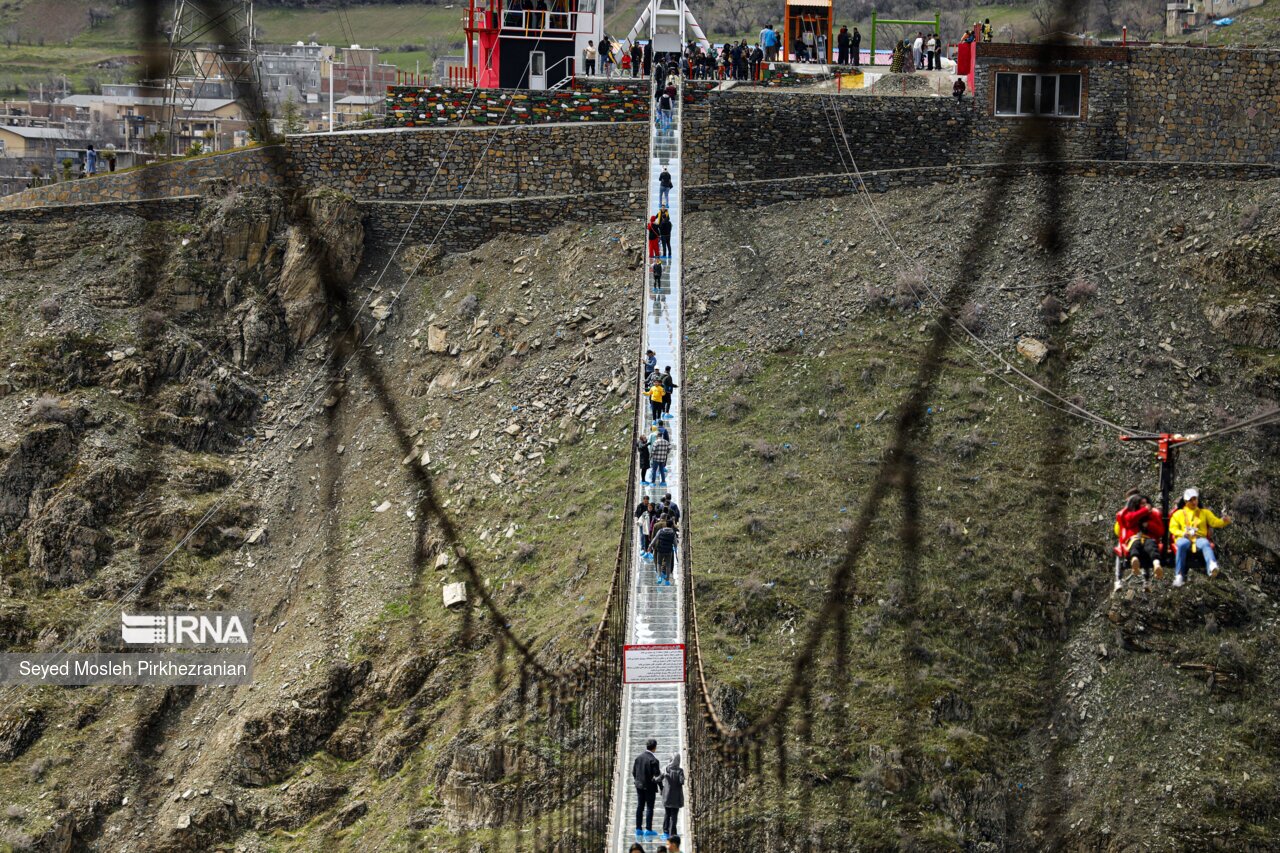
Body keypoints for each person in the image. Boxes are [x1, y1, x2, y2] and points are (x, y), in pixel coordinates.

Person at [1169, 488, 1229, 587]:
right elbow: (1173, 528)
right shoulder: (1178, 514)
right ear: (1185, 502)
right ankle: (1179, 574)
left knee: (1205, 544)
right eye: (1191, 500)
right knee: (1181, 545)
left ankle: (1212, 566)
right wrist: (1183, 533)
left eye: (1195, 499)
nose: (1194, 502)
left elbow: (1215, 522)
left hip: (1199, 538)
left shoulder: (1205, 513)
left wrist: (1223, 521)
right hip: (1184, 538)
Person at [1117, 494, 1165, 590]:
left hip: (1148, 539)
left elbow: (1161, 531)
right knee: (1135, 545)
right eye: (1142, 504)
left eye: (1146, 503)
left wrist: (1149, 525)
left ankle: (1156, 564)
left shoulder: (1153, 515)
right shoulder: (1131, 514)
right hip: (1134, 538)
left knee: (1151, 546)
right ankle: (1134, 560)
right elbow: (1129, 520)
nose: (1145, 505)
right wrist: (1144, 511)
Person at [633, 739, 662, 836]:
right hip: (650, 787)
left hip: (639, 786)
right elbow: (657, 776)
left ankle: (638, 829)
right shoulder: (654, 760)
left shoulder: (638, 758)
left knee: (640, 806)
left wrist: (638, 781)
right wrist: (661, 788)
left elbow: (634, 772)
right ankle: (648, 829)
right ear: (655, 747)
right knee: (649, 807)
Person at [659, 753, 684, 839]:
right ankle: (672, 833)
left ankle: (665, 832)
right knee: (674, 815)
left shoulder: (666, 769)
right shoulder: (680, 771)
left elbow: (659, 778)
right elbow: (681, 782)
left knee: (667, 814)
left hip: (667, 797)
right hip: (676, 798)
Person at [651, 519, 677, 584]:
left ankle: (659, 577)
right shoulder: (673, 533)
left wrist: (650, 546)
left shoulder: (660, 531)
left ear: (666, 524)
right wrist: (676, 554)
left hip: (660, 550)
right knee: (668, 565)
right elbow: (675, 544)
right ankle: (667, 580)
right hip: (669, 551)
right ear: (671, 525)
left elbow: (655, 539)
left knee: (659, 563)